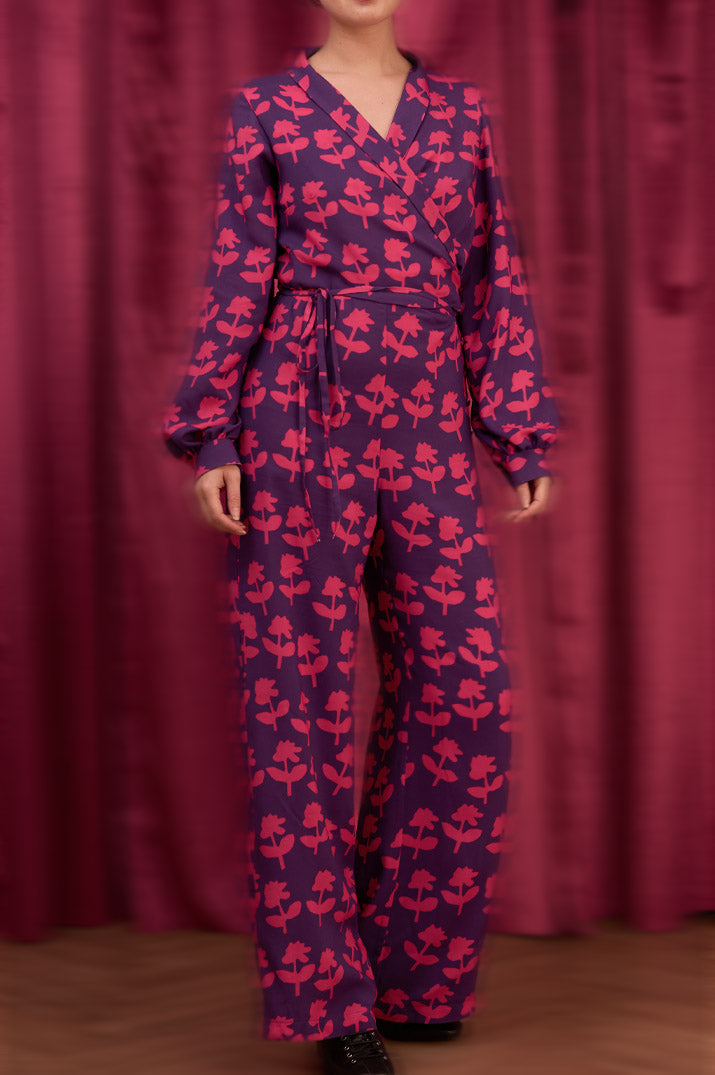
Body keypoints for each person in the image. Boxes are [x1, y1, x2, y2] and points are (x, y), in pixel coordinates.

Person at [162, 1, 560, 1072]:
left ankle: (414, 971)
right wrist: (212, 435)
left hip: (428, 415)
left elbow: (492, 278)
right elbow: (237, 269)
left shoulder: (460, 115)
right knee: (295, 704)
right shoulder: (266, 111)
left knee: (465, 692)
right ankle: (330, 1002)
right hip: (296, 406)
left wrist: (517, 430)